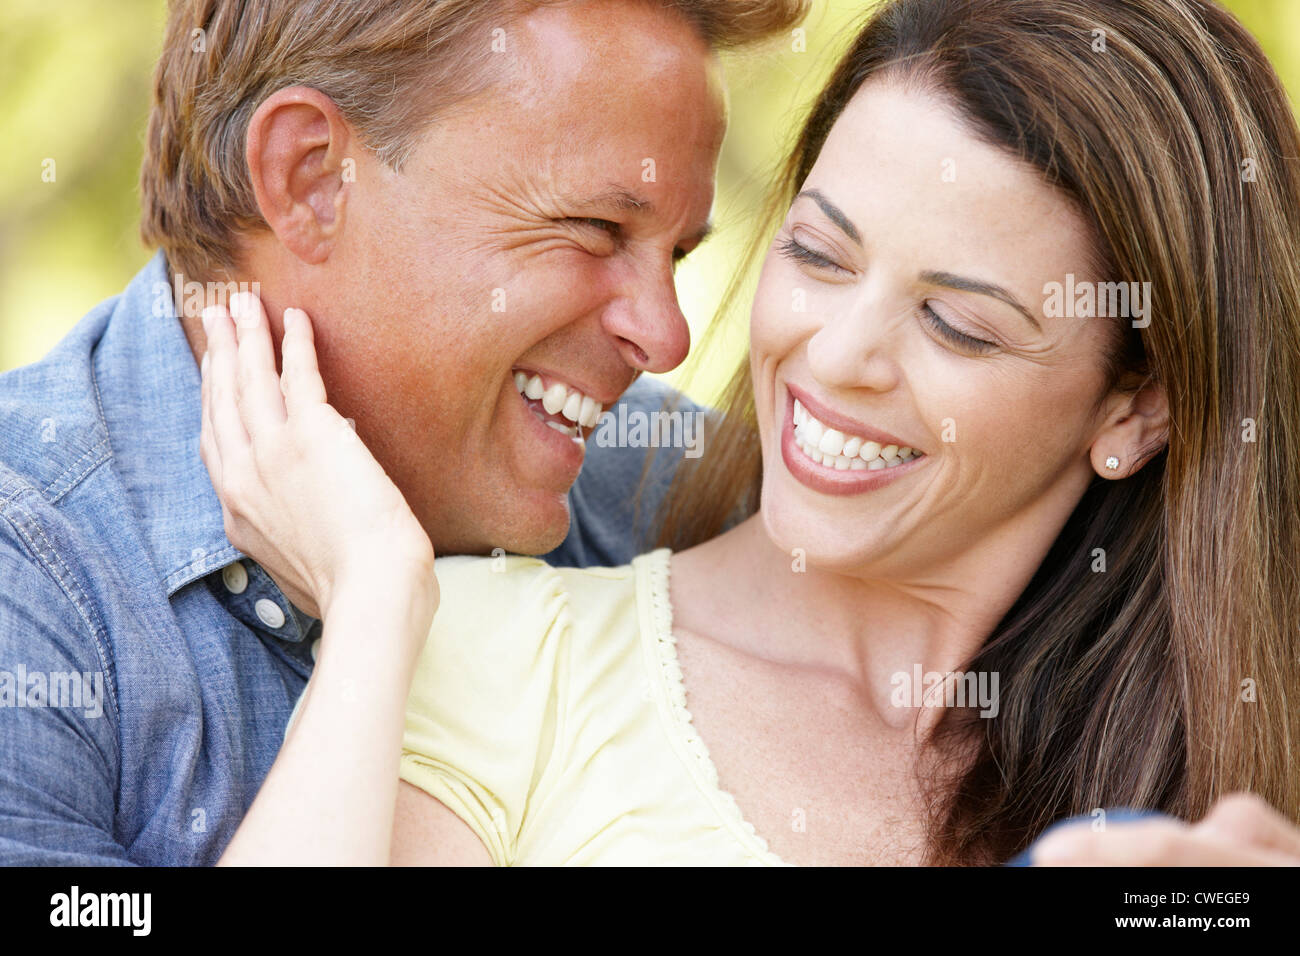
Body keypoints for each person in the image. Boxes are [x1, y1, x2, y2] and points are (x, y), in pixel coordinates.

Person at [203, 0, 1300, 866]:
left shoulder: (1216, 780)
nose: (831, 355)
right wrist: (375, 597)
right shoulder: (497, 658)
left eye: (955, 322)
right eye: (818, 256)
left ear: (1134, 407)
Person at [0, 0, 808, 865]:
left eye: (678, 255)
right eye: (596, 230)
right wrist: (377, 600)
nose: (666, 335)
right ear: (312, 178)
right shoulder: (36, 597)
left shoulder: (657, 492)